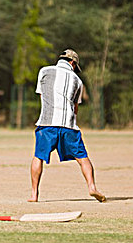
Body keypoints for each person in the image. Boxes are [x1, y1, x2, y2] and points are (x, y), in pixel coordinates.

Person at [28, 49, 106, 203]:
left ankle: (34, 195)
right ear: (73, 63)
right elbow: (75, 108)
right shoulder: (77, 80)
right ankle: (91, 187)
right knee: (83, 158)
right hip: (68, 125)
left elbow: (42, 96)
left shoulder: (44, 71)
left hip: (47, 124)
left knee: (38, 157)